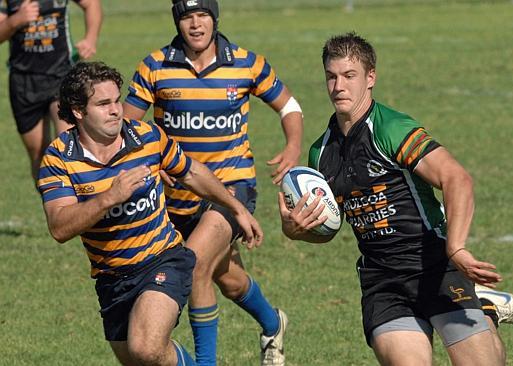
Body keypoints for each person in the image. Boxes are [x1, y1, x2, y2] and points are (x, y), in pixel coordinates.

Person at [278, 32, 513, 366]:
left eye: (349, 76)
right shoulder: (321, 152)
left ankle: (485, 312)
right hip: (383, 281)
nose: (338, 86)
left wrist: (456, 247)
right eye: (331, 76)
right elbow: (330, 223)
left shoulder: (392, 129)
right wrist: (296, 230)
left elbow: (456, 179)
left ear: (370, 78)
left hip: (435, 265)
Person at [37, 61, 263, 366]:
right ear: (78, 111)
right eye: (104, 104)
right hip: (111, 278)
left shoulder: (146, 137)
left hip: (162, 259)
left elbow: (192, 172)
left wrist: (237, 208)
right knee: (142, 359)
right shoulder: (58, 160)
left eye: (117, 100)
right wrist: (109, 197)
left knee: (146, 347)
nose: (117, 110)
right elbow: (59, 227)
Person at [122, 1, 301, 364]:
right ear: (177, 21)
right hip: (176, 197)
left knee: (197, 263)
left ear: (214, 18)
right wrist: (154, 161)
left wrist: (292, 146)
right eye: (187, 17)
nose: (196, 24)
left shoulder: (247, 63)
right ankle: (273, 322)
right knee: (226, 277)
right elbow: (127, 127)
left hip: (234, 186)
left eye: (202, 15)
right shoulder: (155, 66)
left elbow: (289, 106)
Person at [0, 0, 102, 181]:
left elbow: (91, 4)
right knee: (39, 154)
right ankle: (54, 204)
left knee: (67, 143)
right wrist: (16, 20)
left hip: (61, 74)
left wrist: (91, 38)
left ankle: (78, 202)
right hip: (24, 82)